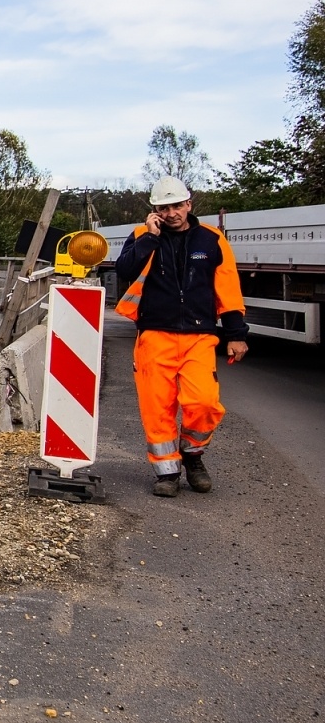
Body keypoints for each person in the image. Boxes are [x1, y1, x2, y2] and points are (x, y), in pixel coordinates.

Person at [114, 177, 248, 497]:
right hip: (154, 335)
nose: (171, 213)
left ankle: (192, 455)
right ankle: (167, 472)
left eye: (177, 205)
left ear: (189, 204)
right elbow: (124, 270)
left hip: (199, 336)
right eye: (164, 208)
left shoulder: (212, 239)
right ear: (154, 210)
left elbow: (228, 289)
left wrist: (236, 334)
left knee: (204, 402)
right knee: (157, 407)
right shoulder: (142, 236)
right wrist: (150, 237)